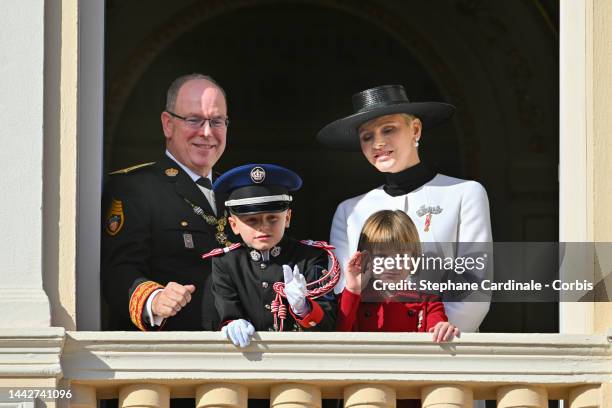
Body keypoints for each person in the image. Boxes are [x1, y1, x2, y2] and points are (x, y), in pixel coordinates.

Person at [317, 84, 492, 333]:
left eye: (389, 129)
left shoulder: (464, 193)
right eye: (367, 136)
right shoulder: (349, 210)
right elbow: (345, 289)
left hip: (446, 349)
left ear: (416, 129)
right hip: (369, 352)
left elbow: (474, 283)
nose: (378, 142)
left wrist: (438, 339)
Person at [101, 73, 234, 331]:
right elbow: (118, 271)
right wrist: (154, 300)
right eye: (194, 120)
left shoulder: (236, 193)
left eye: (217, 121)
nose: (207, 133)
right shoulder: (136, 188)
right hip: (169, 354)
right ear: (167, 124)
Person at [205, 164, 338, 347]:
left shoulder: (310, 257)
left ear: (288, 218)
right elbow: (223, 315)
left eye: (272, 218)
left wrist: (303, 309)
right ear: (233, 224)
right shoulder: (226, 263)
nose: (263, 227)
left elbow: (328, 327)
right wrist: (232, 322)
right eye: (252, 220)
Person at [337, 209, 459, 343]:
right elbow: (336, 338)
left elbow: (436, 332)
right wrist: (353, 290)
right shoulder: (352, 300)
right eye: (381, 256)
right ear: (366, 259)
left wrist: (443, 329)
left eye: (401, 256)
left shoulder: (429, 303)